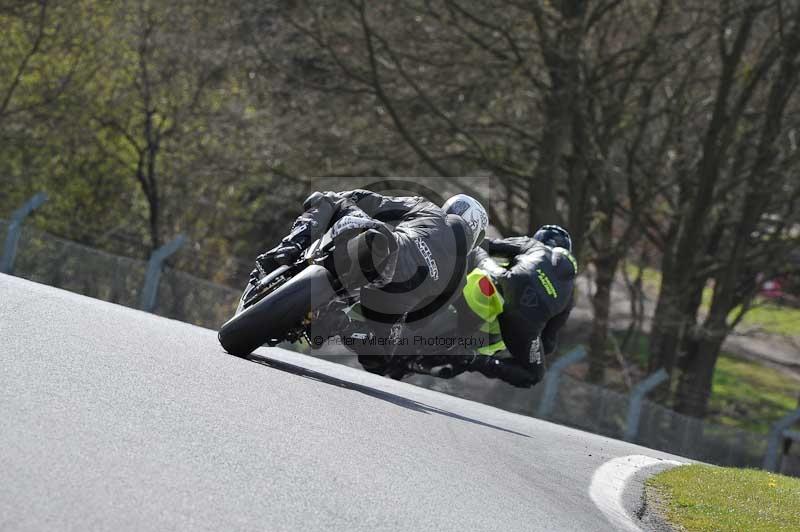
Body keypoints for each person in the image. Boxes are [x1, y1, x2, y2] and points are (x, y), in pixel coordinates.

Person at [254, 189, 489, 372]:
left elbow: (375, 203)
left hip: (383, 251)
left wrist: (350, 199)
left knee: (327, 198)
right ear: (476, 236)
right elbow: (419, 320)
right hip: (394, 302)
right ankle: (339, 324)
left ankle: (290, 247)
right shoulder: (460, 281)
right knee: (380, 356)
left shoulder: (429, 210)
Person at [420, 225, 577, 388]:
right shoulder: (570, 292)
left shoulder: (533, 245)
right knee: (533, 375)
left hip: (499, 282)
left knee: (473, 249)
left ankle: (422, 289)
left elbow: (490, 245)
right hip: (523, 325)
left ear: (539, 239)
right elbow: (548, 343)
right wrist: (527, 344)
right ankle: (475, 359)